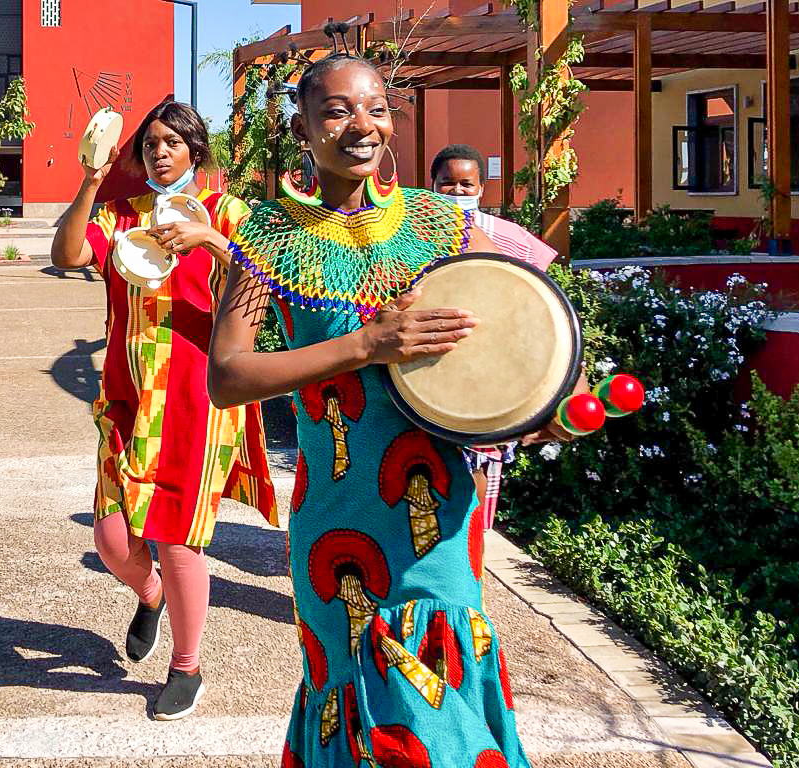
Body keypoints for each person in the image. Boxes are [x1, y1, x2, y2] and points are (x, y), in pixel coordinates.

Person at [208, 53, 580, 767]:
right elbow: (227, 375)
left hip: (438, 503)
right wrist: (367, 344)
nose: (362, 124)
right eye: (338, 109)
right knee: (348, 690)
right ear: (302, 126)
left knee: (433, 704)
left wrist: (541, 408)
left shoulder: (443, 223)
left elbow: (505, 340)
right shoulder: (267, 235)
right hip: (336, 515)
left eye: (376, 108)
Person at [50, 101, 276, 720]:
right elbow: (68, 255)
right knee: (112, 539)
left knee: (177, 539)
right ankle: (148, 595)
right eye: (151, 142)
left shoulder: (229, 213)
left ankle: (187, 667)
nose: (160, 150)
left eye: (173, 141)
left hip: (197, 400)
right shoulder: (121, 215)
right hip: (125, 394)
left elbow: (272, 283)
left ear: (196, 150)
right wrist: (92, 177)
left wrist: (210, 238)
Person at [431, 143, 558, 528]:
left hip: (491, 364)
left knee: (483, 456)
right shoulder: (412, 232)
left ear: (482, 188)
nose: (457, 192)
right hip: (434, 360)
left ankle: (473, 545)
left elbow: (540, 296)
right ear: (432, 185)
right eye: (447, 183)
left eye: (466, 184)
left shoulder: (510, 236)